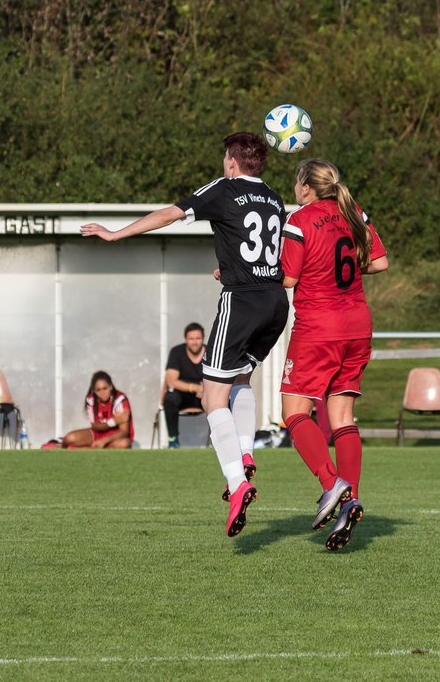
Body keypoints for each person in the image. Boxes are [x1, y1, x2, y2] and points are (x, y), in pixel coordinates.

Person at [81, 133, 288, 537]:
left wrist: (115, 234)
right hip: (275, 301)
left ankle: (237, 482)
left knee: (213, 397)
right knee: (241, 379)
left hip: (242, 301)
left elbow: (169, 214)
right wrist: (230, 268)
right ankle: (245, 454)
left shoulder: (224, 188)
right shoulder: (274, 198)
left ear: (232, 160)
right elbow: (260, 249)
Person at [278, 159, 388, 550]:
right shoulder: (353, 211)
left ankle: (332, 484)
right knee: (342, 418)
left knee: (294, 412)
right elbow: (379, 261)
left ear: (306, 186)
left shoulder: (301, 220)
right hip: (357, 325)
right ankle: (350, 499)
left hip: (319, 327)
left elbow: (288, 279)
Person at [44, 371, 134, 449]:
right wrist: (113, 421)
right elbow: (95, 426)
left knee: (124, 443)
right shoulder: (91, 400)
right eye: (98, 390)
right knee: (69, 438)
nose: (102, 393)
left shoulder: (120, 399)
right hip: (97, 434)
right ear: (94, 391)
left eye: (105, 388)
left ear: (110, 386)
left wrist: (104, 441)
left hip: (115, 437)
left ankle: (82, 448)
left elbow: (124, 431)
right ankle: (59, 444)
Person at [163, 322, 206, 448]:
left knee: (225, 400)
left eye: (198, 338)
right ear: (185, 339)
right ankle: (173, 439)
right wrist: (195, 388)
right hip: (183, 397)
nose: (194, 342)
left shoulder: (211, 353)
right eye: (191, 339)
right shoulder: (177, 352)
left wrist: (206, 390)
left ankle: (222, 439)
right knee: (170, 397)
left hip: (205, 396)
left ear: (203, 338)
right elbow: (171, 381)